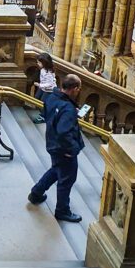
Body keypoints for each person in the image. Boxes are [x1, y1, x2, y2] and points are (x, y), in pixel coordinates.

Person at [27, 73, 85, 223]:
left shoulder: (53, 97)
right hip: (63, 149)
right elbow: (64, 132)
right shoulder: (67, 109)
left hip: (52, 143)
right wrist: (71, 150)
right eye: (78, 89)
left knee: (56, 169)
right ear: (74, 89)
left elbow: (48, 114)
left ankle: (36, 193)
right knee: (67, 179)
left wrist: (70, 115)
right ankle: (62, 211)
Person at [33, 52, 57, 123]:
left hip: (49, 90)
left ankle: (43, 116)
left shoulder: (49, 72)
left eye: (39, 62)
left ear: (45, 63)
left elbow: (49, 84)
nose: (37, 64)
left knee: (43, 102)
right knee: (37, 97)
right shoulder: (43, 69)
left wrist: (39, 85)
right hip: (43, 88)